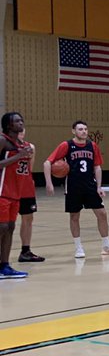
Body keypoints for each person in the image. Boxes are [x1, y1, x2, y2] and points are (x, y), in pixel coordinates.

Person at [43, 120, 109, 259]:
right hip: (73, 186)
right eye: (80, 129)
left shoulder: (92, 145)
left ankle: (106, 246)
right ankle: (78, 248)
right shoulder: (66, 145)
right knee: (74, 216)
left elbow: (97, 167)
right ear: (73, 131)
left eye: (85, 129)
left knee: (102, 213)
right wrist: (49, 183)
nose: (84, 131)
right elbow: (47, 163)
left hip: (90, 185)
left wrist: (99, 186)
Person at [0, 112, 34, 278]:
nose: (21, 123)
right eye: (17, 121)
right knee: (2, 227)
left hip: (15, 193)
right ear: (9, 125)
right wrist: (19, 156)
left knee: (10, 228)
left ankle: (5, 266)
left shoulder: (21, 144)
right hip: (2, 191)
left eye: (21, 120)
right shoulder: (2, 140)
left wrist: (25, 154)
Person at [13, 122, 43, 263]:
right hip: (10, 187)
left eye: (22, 130)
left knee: (28, 219)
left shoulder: (30, 147)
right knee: (6, 222)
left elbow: (30, 168)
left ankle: (25, 251)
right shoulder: (6, 146)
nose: (21, 132)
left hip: (26, 187)